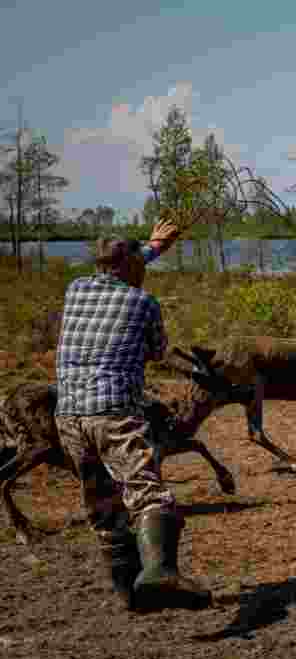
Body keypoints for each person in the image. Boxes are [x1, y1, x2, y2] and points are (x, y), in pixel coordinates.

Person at [54, 219, 212, 612]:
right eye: (139, 262)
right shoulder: (142, 302)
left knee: (103, 505)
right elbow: (158, 351)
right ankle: (160, 574)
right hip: (114, 413)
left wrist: (157, 246)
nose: (144, 268)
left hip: (70, 415)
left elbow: (125, 265)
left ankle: (130, 595)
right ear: (128, 267)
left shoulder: (77, 288)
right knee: (147, 493)